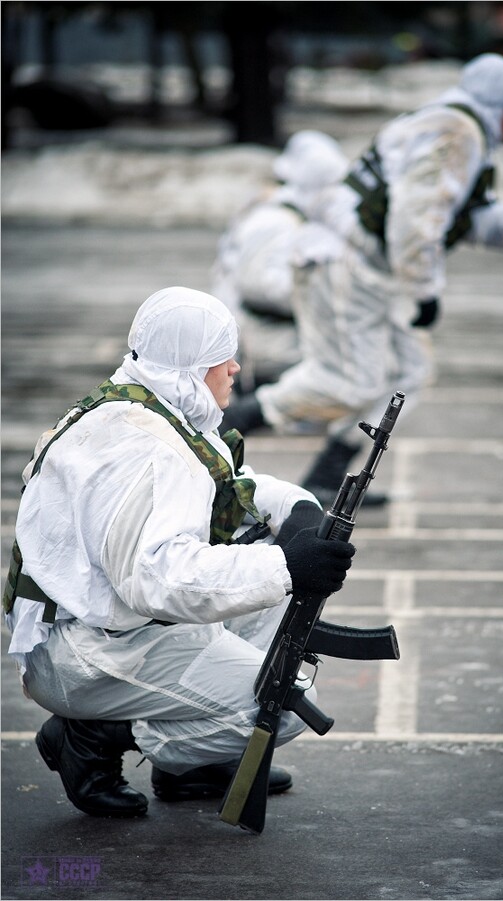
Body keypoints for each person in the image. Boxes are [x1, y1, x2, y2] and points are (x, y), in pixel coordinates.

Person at [3, 286, 355, 818]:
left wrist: (300, 511)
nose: (235, 367)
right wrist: (287, 565)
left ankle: (189, 766)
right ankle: (92, 737)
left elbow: (233, 486)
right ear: (191, 364)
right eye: (222, 357)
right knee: (278, 708)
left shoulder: (145, 404)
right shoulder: (147, 450)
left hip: (112, 629)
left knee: (272, 573)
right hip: (89, 653)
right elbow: (155, 579)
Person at [222, 53, 503, 505]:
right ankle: (228, 425)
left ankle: (327, 475)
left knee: (407, 374)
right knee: (347, 381)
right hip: (343, 263)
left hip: (367, 269)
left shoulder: (455, 130)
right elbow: (416, 221)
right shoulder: (454, 133)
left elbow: (462, 214)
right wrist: (424, 290)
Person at [210, 129, 349, 392]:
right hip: (262, 344)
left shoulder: (286, 214)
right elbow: (259, 286)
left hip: (268, 339)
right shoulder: (275, 222)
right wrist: (325, 292)